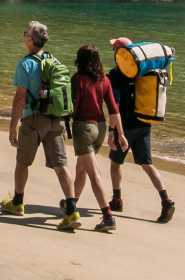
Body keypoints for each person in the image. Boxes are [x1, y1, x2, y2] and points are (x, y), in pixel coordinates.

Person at [0, 21, 78, 227]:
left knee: (23, 162)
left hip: (34, 119)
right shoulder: (53, 60)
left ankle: (17, 202)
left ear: (32, 40)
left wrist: (12, 125)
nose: (23, 35)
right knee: (61, 165)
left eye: (26, 33)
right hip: (55, 119)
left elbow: (20, 98)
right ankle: (71, 211)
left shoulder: (26, 64)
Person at [108, 37, 174, 223]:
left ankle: (116, 199)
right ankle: (166, 200)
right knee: (147, 164)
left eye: (115, 49)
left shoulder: (115, 75)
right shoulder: (144, 72)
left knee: (115, 163)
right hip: (144, 123)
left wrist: (112, 131)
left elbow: (115, 106)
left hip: (125, 126)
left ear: (120, 52)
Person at [67, 44, 124, 232]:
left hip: (83, 128)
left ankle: (108, 216)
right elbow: (114, 111)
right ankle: (71, 204)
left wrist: (60, 120)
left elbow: (73, 107)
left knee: (93, 174)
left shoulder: (77, 79)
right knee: (81, 168)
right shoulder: (105, 80)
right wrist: (120, 134)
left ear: (80, 60)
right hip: (100, 128)